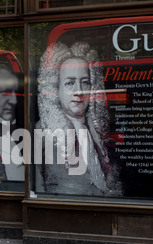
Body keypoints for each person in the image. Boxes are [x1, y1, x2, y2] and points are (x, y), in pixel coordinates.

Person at [36, 42, 122, 196]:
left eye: (85, 82)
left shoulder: (97, 130)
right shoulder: (43, 131)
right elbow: (38, 187)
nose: (79, 91)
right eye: (70, 83)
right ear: (56, 89)